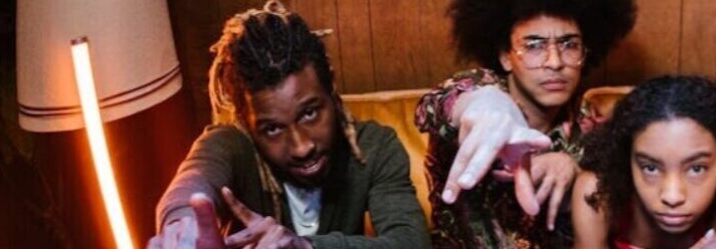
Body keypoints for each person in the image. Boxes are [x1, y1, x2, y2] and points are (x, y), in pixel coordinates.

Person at [146, 2, 427, 248]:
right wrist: (182, 227)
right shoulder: (232, 145)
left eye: (310, 113)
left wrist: (305, 247)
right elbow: (194, 179)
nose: (302, 147)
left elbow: (410, 242)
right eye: (272, 129)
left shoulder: (375, 148)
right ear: (246, 122)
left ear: (331, 87)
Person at [411, 0, 635, 247]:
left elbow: (621, 205)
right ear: (506, 57)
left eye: (569, 45)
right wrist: (487, 106)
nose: (555, 62)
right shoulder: (480, 89)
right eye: (534, 46)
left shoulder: (591, 125)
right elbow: (434, 106)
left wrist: (577, 175)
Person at [571, 76, 716, 249]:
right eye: (650, 168)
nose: (672, 196)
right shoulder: (596, 193)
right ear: (628, 160)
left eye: (696, 169)